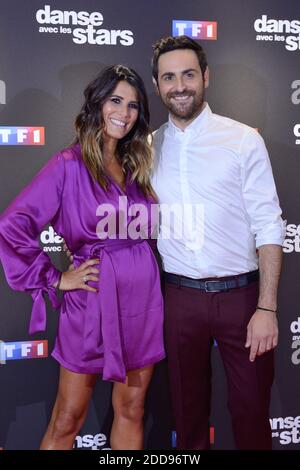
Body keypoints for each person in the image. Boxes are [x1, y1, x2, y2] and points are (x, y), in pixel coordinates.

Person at [0, 65, 165, 450]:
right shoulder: (68, 165)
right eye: (115, 100)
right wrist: (57, 276)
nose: (124, 113)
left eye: (134, 105)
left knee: (132, 409)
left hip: (142, 302)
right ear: (97, 104)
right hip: (91, 301)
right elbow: (15, 225)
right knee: (68, 418)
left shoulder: (137, 166)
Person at [150, 35, 286, 450]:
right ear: (157, 85)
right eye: (168, 77)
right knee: (187, 416)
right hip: (178, 299)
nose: (180, 86)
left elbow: (269, 225)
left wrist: (267, 307)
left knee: (250, 413)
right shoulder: (146, 147)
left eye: (188, 74)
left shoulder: (243, 140)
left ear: (205, 77)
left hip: (242, 299)